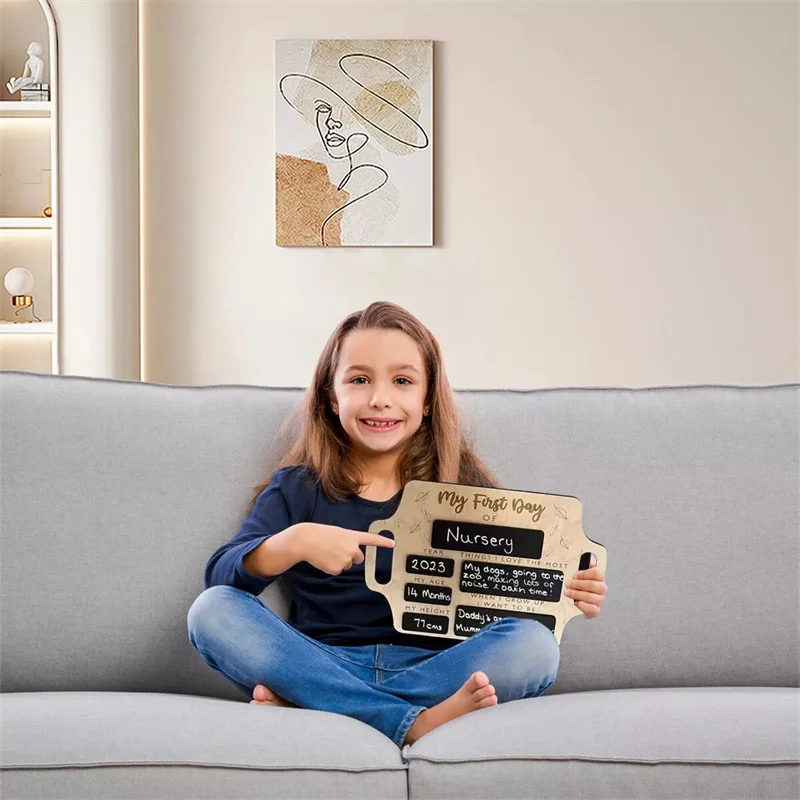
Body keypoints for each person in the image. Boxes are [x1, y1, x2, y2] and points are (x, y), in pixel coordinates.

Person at [187, 301, 608, 748]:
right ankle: (413, 722)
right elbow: (222, 579)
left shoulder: (460, 485)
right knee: (211, 611)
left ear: (426, 401)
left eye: (402, 381)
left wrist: (562, 587)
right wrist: (297, 541)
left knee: (535, 645)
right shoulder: (298, 487)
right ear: (332, 397)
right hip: (323, 662)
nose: (380, 399)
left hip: (435, 669)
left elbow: (500, 585)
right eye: (359, 380)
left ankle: (323, 710)